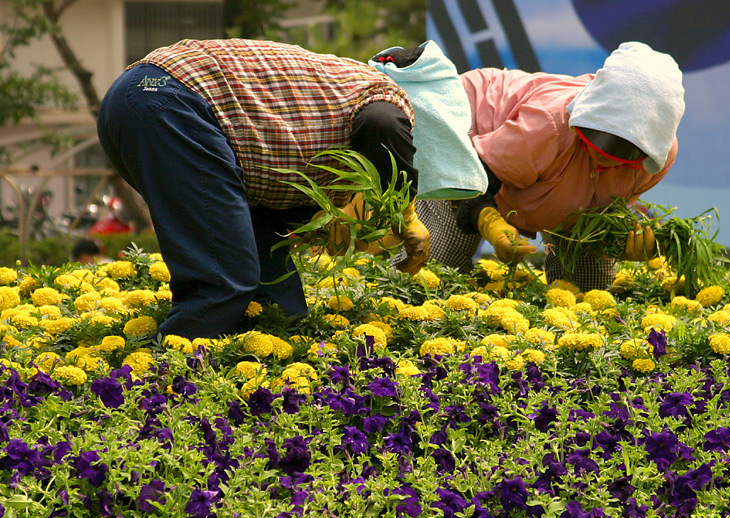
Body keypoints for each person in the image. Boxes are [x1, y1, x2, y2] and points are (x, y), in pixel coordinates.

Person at [96, 39, 431, 340]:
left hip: (141, 101)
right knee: (222, 283)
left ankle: (264, 390)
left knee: (280, 305)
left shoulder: (316, 129)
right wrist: (405, 214)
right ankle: (157, 387)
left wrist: (327, 223)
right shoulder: (385, 95)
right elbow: (383, 124)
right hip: (170, 102)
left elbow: (269, 206)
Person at [407, 41, 685, 291]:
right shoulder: (549, 125)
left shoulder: (656, 160)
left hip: (539, 173)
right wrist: (488, 220)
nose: (607, 155)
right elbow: (472, 176)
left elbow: (597, 207)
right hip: (470, 146)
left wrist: (624, 242)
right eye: (600, 134)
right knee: (435, 274)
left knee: (588, 291)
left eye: (623, 148)